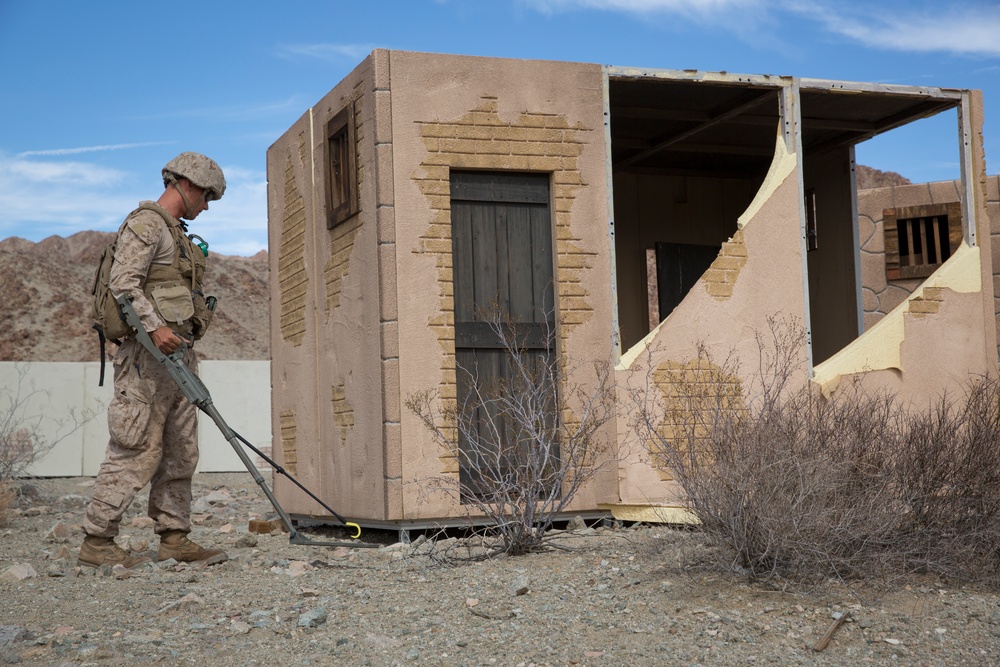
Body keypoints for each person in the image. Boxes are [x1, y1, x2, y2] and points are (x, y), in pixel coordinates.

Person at [79, 152, 229, 568]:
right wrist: (155, 327)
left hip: (178, 357)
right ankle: (97, 541)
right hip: (146, 359)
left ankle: (175, 536)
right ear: (191, 184)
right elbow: (123, 284)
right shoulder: (145, 224)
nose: (206, 206)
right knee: (135, 448)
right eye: (208, 198)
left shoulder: (176, 234)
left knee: (182, 449)